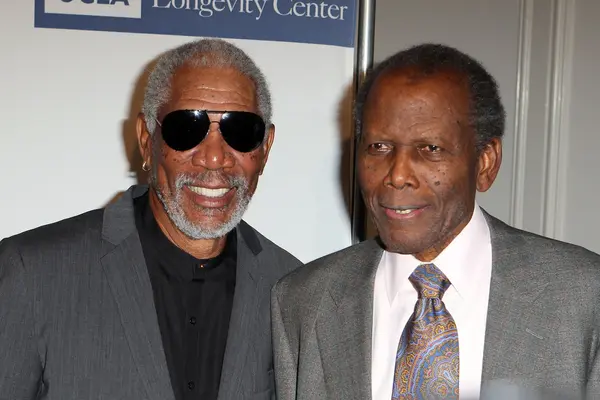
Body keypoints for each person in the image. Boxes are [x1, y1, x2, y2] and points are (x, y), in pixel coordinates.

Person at [271, 43, 600, 400]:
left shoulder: (583, 297)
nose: (397, 175)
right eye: (379, 147)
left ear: (486, 162)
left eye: (430, 149)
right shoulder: (304, 301)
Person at [0, 38, 301, 400]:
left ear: (264, 149)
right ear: (147, 139)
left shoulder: (293, 290)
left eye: (240, 132)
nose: (215, 159)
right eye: (187, 128)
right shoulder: (33, 274)